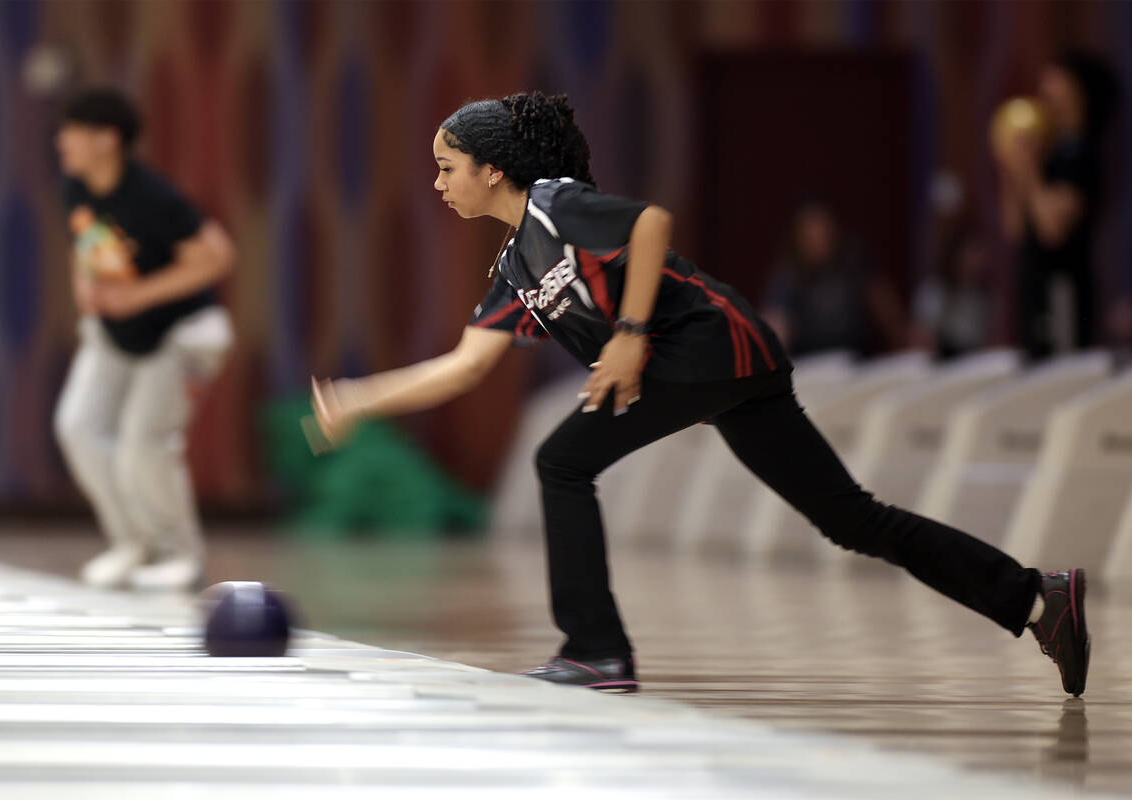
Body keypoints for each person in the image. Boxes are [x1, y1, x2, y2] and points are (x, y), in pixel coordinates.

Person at [311, 92, 1089, 697]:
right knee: (851, 519)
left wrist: (628, 332)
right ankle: (1036, 599)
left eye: (448, 166)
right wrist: (358, 400)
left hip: (712, 347)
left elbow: (649, 223)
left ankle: (595, 651)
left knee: (561, 461)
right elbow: (462, 366)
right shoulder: (516, 267)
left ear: (490, 168)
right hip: (717, 373)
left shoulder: (555, 201)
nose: (438, 182)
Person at [53, 88, 235, 591]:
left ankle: (181, 554)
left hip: (181, 333)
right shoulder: (75, 186)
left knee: (143, 444)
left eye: (71, 130)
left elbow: (217, 255)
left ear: (106, 139)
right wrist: (85, 287)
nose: (60, 140)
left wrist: (140, 296)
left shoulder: (152, 198)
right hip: (117, 333)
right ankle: (133, 544)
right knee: (78, 427)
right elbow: (83, 243)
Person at [996, 51, 1118, 360]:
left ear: (1078, 92)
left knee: (1062, 377)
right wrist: (1012, 171)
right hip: (1035, 291)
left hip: (1063, 294)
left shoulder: (1082, 156)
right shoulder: (1049, 154)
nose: (1045, 89)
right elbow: (1015, 229)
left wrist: (1030, 172)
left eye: (1056, 80)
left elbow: (1053, 230)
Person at [761, 201, 906, 357]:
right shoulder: (788, 274)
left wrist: (902, 334)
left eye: (823, 233)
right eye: (810, 236)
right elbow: (776, 322)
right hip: (810, 363)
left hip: (856, 360)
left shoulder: (853, 262)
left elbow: (884, 305)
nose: (818, 241)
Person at [912, 223, 996, 359]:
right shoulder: (936, 291)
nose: (977, 260)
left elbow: (989, 344)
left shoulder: (983, 296)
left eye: (980, 251)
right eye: (972, 251)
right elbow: (922, 342)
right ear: (956, 253)